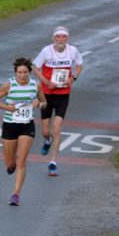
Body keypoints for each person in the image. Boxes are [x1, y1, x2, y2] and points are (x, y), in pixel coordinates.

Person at [0, 58, 44, 206]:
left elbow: (44, 103)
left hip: (27, 125)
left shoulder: (36, 85)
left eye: (25, 72)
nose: (22, 75)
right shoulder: (9, 85)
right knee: (10, 162)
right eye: (19, 73)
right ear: (15, 73)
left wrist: (38, 104)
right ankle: (10, 165)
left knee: (21, 158)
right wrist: (7, 108)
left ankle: (16, 194)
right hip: (10, 124)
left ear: (30, 72)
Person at [31, 25, 84, 176]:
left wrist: (73, 77)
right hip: (46, 94)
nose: (61, 40)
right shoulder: (47, 51)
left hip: (63, 94)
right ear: (53, 38)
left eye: (64, 37)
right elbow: (34, 67)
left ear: (67, 38)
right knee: (46, 130)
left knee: (57, 128)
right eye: (58, 37)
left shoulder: (72, 51)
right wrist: (45, 82)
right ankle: (47, 141)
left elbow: (80, 65)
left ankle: (53, 162)